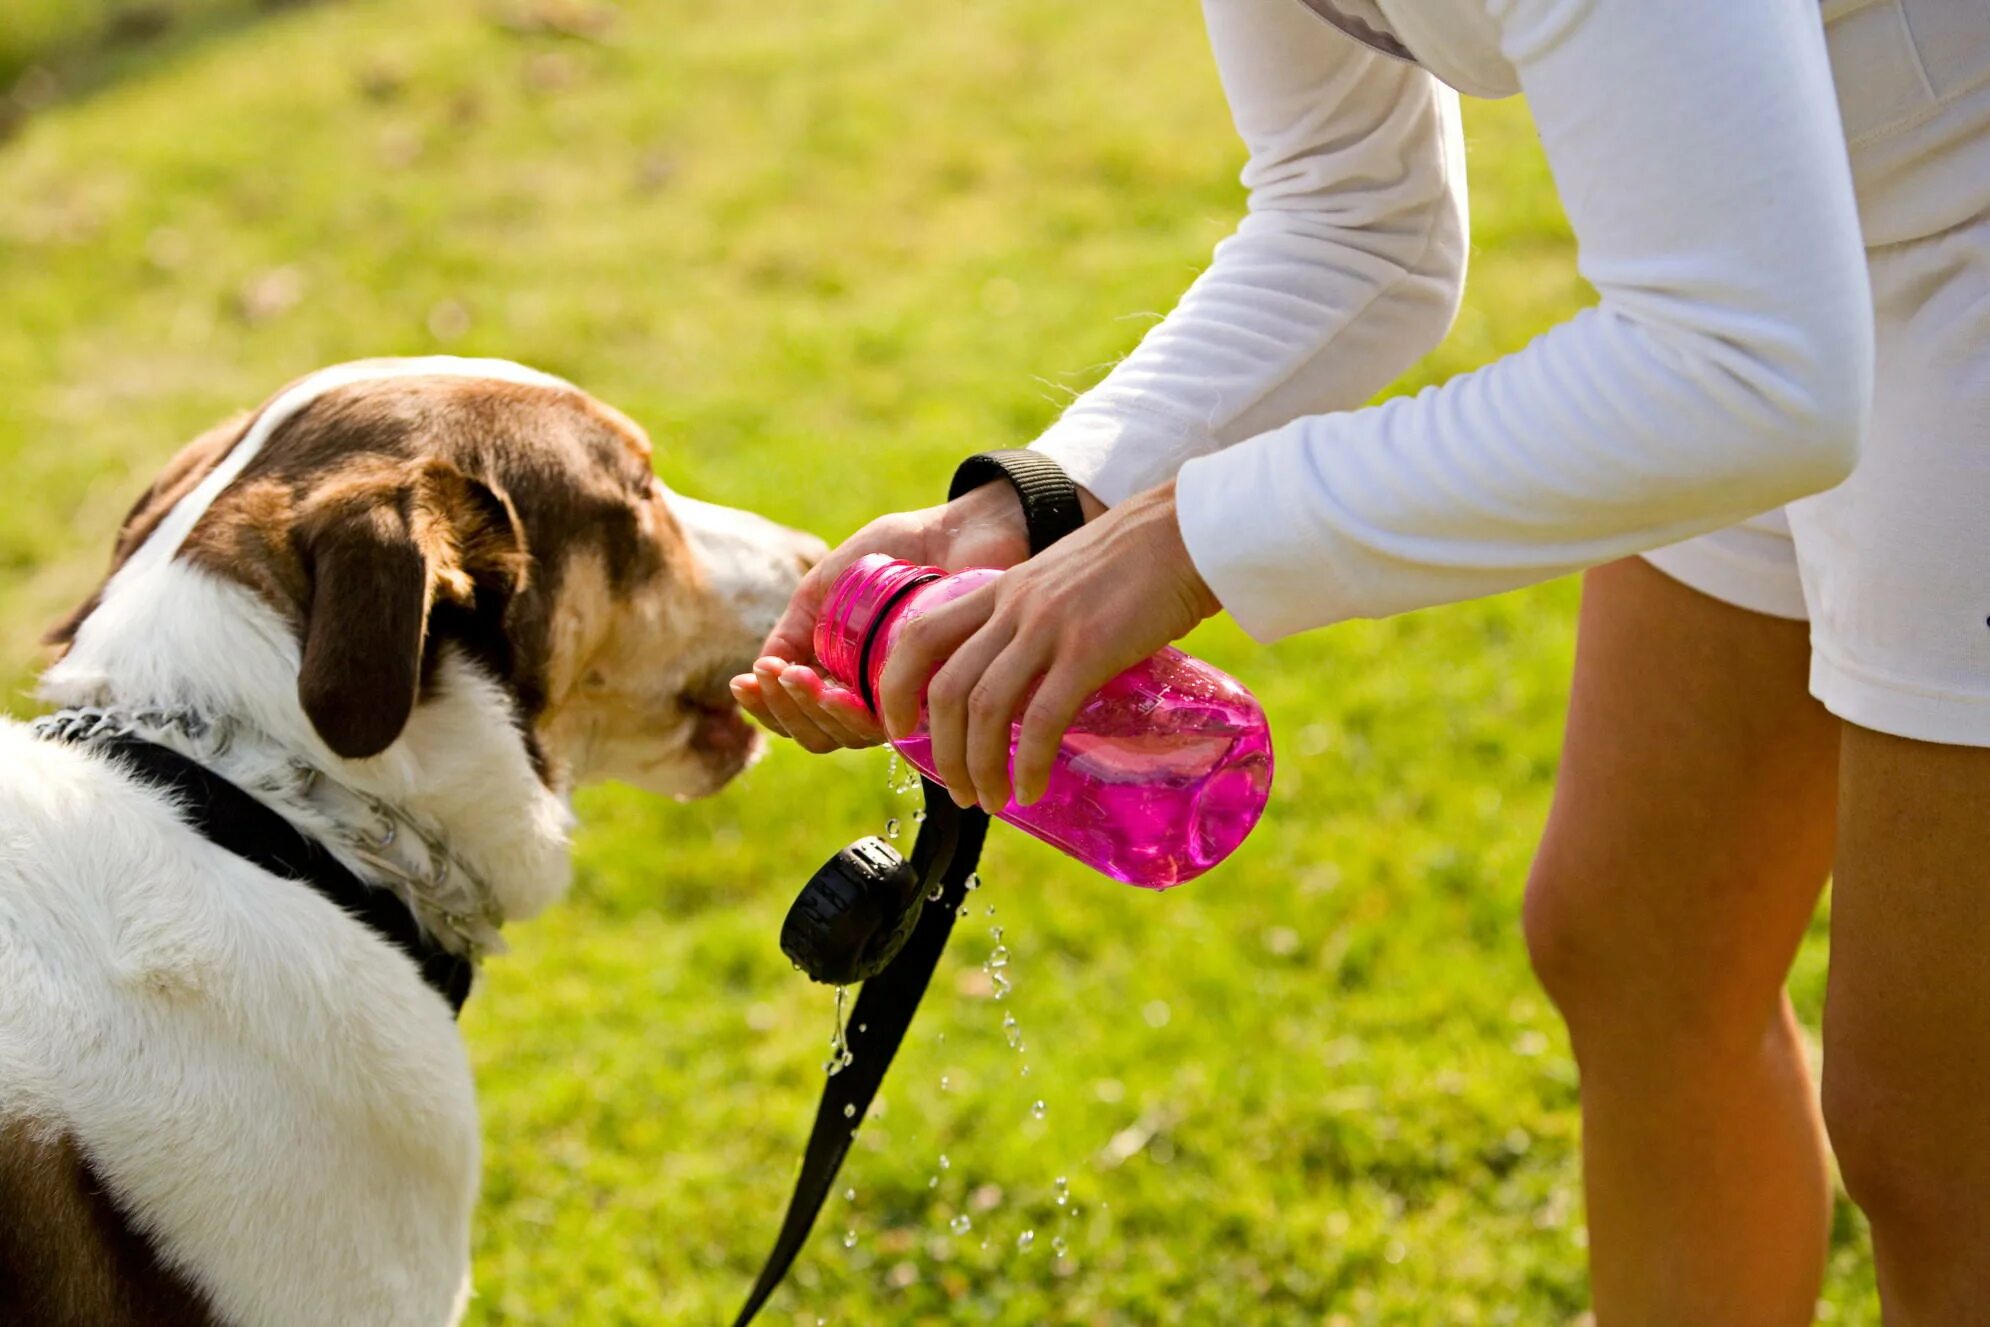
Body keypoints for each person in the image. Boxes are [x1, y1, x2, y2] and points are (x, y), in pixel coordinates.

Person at [730, 0, 1990, 1320]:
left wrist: (1187, 539)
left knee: (1937, 1124)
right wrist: (1038, 510)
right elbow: (1354, 220)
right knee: (1637, 949)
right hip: (1761, 274)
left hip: (1881, 279)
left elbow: (1752, 385)